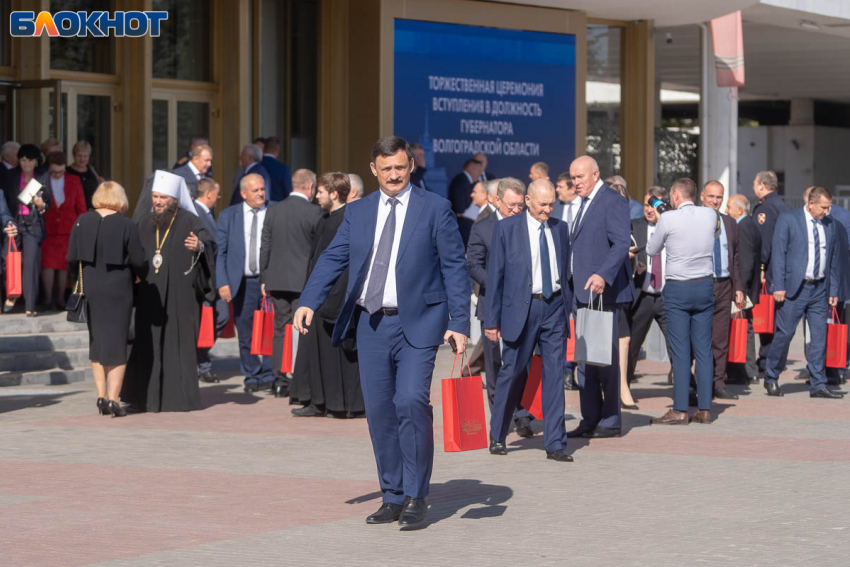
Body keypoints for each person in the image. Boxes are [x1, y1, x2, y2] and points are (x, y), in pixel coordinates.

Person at [293, 136, 469, 528]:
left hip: (419, 324)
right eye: (386, 168)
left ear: (411, 168)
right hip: (371, 323)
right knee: (380, 414)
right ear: (374, 170)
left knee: (409, 402)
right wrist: (307, 300)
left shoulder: (436, 209)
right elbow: (333, 258)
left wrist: (459, 323)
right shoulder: (358, 213)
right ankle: (392, 495)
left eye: (400, 167)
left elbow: (455, 268)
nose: (393, 175)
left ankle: (416, 494)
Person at [484, 179, 573, 461]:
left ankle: (556, 443)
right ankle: (497, 434)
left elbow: (565, 268)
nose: (548, 210)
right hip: (521, 310)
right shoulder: (506, 229)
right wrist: (491, 320)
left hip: (555, 308)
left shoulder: (560, 229)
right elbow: (495, 277)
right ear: (528, 202)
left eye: (551, 204)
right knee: (512, 373)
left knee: (554, 376)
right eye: (542, 204)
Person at [122, 171, 216, 412]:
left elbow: (210, 243)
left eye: (163, 197)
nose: (158, 201)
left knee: (179, 346)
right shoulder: (144, 221)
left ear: (175, 199)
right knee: (147, 345)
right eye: (155, 196)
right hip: (149, 295)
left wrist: (200, 246)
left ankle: (179, 399)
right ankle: (145, 399)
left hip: (179, 297)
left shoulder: (189, 221)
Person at [566, 156, 634, 439]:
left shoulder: (611, 200)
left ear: (595, 174)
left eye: (580, 177)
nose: (575, 182)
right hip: (581, 292)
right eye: (573, 177)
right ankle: (590, 419)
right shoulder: (580, 204)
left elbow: (621, 243)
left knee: (605, 360)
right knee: (586, 360)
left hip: (603, 292)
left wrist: (603, 275)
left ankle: (610, 420)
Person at [67, 182, 146, 418]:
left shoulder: (81, 221)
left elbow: (72, 258)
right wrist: (141, 277)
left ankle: (100, 396)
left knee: (97, 343)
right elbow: (139, 260)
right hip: (118, 288)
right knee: (117, 343)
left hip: (91, 286)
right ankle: (113, 399)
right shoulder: (126, 224)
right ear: (119, 199)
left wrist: (81, 279)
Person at [290, 172, 364, 417]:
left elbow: (344, 266)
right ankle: (318, 401)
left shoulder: (348, 219)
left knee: (339, 356)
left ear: (334, 193)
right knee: (315, 354)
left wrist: (333, 299)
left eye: (320, 191)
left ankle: (342, 405)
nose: (316, 196)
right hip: (318, 301)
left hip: (335, 299)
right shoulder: (324, 220)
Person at [646, 178, 716, 424]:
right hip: (705, 284)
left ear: (675, 195)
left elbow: (652, 249)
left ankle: (680, 409)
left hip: (678, 288)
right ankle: (705, 408)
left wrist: (660, 218)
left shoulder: (668, 218)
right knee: (704, 349)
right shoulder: (710, 215)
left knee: (680, 349)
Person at [763, 186, 843, 399]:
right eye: (823, 207)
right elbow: (778, 254)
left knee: (819, 338)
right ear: (811, 204)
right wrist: (778, 285)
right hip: (793, 289)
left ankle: (818, 384)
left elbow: (833, 259)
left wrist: (833, 289)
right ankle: (771, 377)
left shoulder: (830, 224)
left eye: (829, 207)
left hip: (820, 289)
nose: (827, 211)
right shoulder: (789, 219)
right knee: (785, 334)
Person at [467, 178, 528, 419]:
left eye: (520, 206)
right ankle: (499, 417)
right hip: (491, 305)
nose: (516, 210)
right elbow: (473, 265)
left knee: (521, 362)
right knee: (493, 365)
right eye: (511, 205)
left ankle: (522, 414)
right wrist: (497, 284)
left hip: (522, 305)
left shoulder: (528, 225)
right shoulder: (482, 227)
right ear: (497, 200)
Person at [260, 168, 322, 397]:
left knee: (279, 329)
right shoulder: (314, 213)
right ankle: (299, 376)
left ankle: (278, 378)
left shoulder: (273, 210)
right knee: (301, 329)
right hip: (303, 281)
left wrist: (264, 278)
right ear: (310, 186)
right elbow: (318, 251)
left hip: (276, 280)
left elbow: (264, 246)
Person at [217, 173, 276, 392]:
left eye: (262, 189)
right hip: (242, 282)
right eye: (255, 190)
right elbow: (220, 252)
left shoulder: (273, 210)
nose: (261, 193)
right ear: (243, 193)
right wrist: (222, 282)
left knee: (270, 328)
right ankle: (251, 375)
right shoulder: (228, 216)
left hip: (268, 281)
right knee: (245, 330)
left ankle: (270, 373)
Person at [700, 181, 745, 400]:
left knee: (720, 338)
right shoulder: (696, 220)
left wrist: (738, 287)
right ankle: (698, 382)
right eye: (711, 197)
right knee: (699, 338)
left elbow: (735, 257)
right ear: (702, 196)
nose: (715, 201)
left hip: (724, 285)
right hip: (702, 284)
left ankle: (718, 382)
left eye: (719, 197)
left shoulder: (730, 222)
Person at [627, 187, 674, 393]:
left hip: (667, 296)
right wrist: (632, 264)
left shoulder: (674, 227)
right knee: (631, 347)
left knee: (676, 345)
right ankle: (623, 389)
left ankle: (686, 389)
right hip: (642, 295)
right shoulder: (634, 226)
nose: (648, 209)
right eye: (646, 204)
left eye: (653, 205)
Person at [3, 144, 52, 317]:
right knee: (8, 260)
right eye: (23, 160)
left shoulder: (43, 176)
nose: (26, 164)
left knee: (31, 264)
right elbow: (5, 200)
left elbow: (48, 202)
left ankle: (30, 305)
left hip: (33, 224)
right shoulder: (10, 175)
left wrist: (41, 205)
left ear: (36, 161)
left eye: (30, 160)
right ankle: (11, 295)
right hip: (14, 222)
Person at [751, 171, 789, 373]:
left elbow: (763, 242)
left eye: (755, 184)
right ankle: (775, 361)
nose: (753, 188)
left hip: (771, 271)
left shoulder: (765, 208)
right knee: (778, 320)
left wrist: (761, 268)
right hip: (782, 271)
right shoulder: (782, 206)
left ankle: (766, 361)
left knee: (766, 318)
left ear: (763, 186)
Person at [193, 177, 230, 383]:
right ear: (208, 194)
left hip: (214, 279)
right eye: (217, 193)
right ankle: (201, 361)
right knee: (208, 319)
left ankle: (201, 357)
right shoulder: (195, 213)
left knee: (220, 317)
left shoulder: (208, 213)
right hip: (204, 280)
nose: (219, 198)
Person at [725, 194, 763, 386]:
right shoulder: (749, 225)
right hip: (746, 290)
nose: (726, 210)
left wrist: (740, 290)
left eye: (729, 206)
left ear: (739, 209)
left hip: (743, 291)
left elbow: (746, 264)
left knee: (742, 328)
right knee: (745, 328)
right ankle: (748, 370)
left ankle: (742, 371)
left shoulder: (744, 227)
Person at [41, 152, 86, 311]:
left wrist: (82, 227)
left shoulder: (74, 180)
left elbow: (81, 207)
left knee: (62, 265)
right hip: (48, 229)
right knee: (47, 264)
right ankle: (47, 299)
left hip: (68, 229)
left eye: (60, 172)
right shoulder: (42, 180)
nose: (57, 175)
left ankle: (60, 300)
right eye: (53, 172)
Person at [610, 182, 637, 409]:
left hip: (623, 286)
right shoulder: (602, 219)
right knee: (608, 340)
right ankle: (614, 387)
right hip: (606, 287)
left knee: (624, 338)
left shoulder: (626, 222)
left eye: (623, 199)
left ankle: (622, 385)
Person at [448, 158, 483, 247]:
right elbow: (460, 208)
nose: (481, 173)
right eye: (479, 170)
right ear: (471, 168)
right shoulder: (461, 180)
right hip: (463, 225)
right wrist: (460, 212)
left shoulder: (466, 181)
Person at [66, 140, 102, 210]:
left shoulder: (92, 171)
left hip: (92, 211)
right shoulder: (67, 172)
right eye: (79, 156)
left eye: (85, 156)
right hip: (73, 211)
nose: (82, 159)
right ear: (74, 155)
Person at [261, 136, 293, 202]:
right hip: (278, 207)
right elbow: (288, 192)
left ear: (263, 149)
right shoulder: (283, 168)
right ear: (278, 150)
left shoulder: (256, 166)